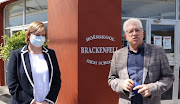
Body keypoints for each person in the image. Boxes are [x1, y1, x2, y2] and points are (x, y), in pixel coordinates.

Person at [108, 18, 174, 104]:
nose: (134, 34)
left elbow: (168, 77)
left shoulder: (158, 51)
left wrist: (152, 88)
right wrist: (122, 84)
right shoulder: (118, 54)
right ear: (125, 36)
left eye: (137, 30)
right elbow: (111, 79)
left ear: (143, 34)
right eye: (131, 31)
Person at [7, 21, 61, 104]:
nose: (40, 38)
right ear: (28, 35)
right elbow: (12, 84)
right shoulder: (16, 55)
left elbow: (56, 80)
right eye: (37, 35)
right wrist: (33, 102)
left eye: (43, 35)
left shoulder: (50, 54)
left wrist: (48, 100)